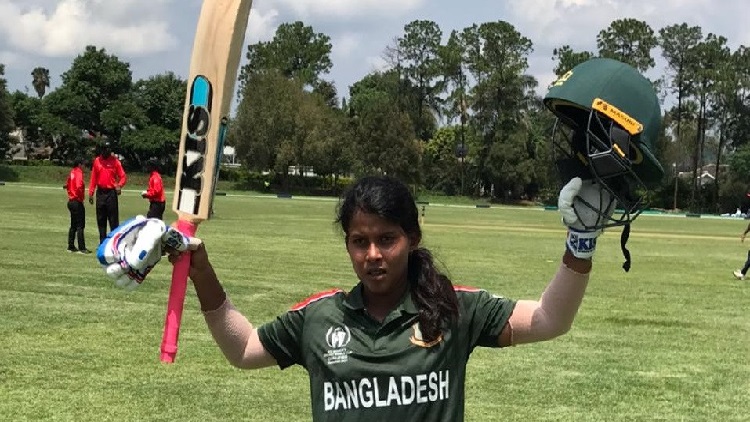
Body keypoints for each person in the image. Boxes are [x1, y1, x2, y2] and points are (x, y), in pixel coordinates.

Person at [99, 58, 664, 421]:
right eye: (359, 241)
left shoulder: (453, 309)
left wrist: (580, 244)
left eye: (387, 239)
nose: (372, 255)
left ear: (412, 238)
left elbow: (549, 320)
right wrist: (201, 269)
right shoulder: (319, 318)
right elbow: (243, 350)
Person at [88, 140, 127, 243]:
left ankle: (114, 243)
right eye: (105, 149)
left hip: (111, 193)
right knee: (101, 219)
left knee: (113, 220)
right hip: (100, 193)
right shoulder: (97, 161)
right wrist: (91, 193)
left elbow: (123, 176)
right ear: (102, 150)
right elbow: (93, 178)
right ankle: (102, 243)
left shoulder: (115, 161)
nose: (107, 151)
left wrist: (119, 185)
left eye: (109, 149)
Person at [65, 157, 91, 254]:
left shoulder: (72, 172)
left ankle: (71, 246)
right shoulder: (78, 172)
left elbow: (67, 185)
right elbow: (79, 185)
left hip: (71, 201)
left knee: (73, 225)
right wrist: (80, 197)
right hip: (77, 201)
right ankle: (82, 248)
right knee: (80, 225)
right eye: (83, 165)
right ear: (80, 164)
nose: (84, 167)